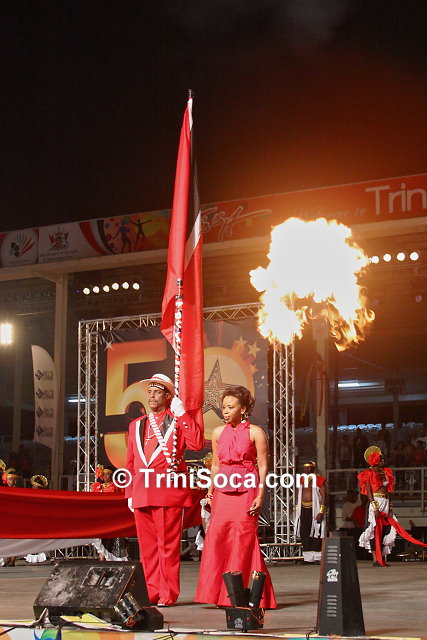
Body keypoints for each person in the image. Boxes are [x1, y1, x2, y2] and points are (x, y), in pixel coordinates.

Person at [126, 373, 204, 607]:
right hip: (142, 491)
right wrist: (129, 492)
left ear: (169, 396)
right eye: (150, 392)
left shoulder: (178, 420)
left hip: (168, 490)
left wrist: (183, 415)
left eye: (157, 392)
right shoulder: (136, 425)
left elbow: (196, 444)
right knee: (147, 549)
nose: (151, 396)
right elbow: (130, 463)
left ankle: (168, 593)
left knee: (167, 546)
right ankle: (151, 591)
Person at [195, 385, 277, 608]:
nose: (225, 411)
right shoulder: (218, 433)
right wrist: (210, 492)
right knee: (218, 539)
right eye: (224, 407)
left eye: (231, 407)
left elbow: (263, 466)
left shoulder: (256, 432)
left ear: (243, 409)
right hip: (222, 492)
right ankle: (218, 595)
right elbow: (215, 465)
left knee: (244, 540)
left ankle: (245, 594)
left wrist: (261, 495)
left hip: (247, 489)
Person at [357, 446, 396, 566]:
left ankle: (381, 557)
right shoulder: (368, 473)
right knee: (374, 530)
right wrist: (375, 507)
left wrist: (390, 508)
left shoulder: (386, 472)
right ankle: (375, 559)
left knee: (385, 529)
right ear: (375, 460)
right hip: (376, 501)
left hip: (386, 501)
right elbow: (369, 492)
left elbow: (389, 491)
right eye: (381, 459)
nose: (383, 461)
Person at [92, 465, 128, 561]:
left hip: (111, 515)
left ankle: (109, 558)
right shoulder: (97, 486)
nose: (106, 476)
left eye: (108, 474)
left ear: (112, 475)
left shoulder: (115, 485)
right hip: (100, 515)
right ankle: (101, 558)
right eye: (104, 474)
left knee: (110, 537)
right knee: (99, 537)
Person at [294, 461, 327, 564]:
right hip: (303, 508)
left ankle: (317, 557)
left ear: (313, 468)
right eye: (305, 468)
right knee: (304, 531)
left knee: (317, 532)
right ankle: (308, 558)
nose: (307, 469)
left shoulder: (319, 479)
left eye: (309, 467)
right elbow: (297, 494)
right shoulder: (301, 479)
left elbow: (324, 496)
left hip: (315, 508)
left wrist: (321, 511)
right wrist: (296, 509)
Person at [25, 475, 49, 564]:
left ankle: (40, 555)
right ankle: (31, 555)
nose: (32, 486)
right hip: (32, 519)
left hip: (40, 519)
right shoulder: (30, 495)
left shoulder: (43, 496)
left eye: (34, 485)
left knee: (39, 538)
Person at [2, 469, 20, 566]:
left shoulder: (18, 491)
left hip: (15, 516)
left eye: (11, 479)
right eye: (8, 479)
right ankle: (8, 558)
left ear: (15, 480)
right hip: (7, 517)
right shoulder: (5, 490)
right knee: (8, 538)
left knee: (15, 538)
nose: (9, 481)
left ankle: (13, 559)